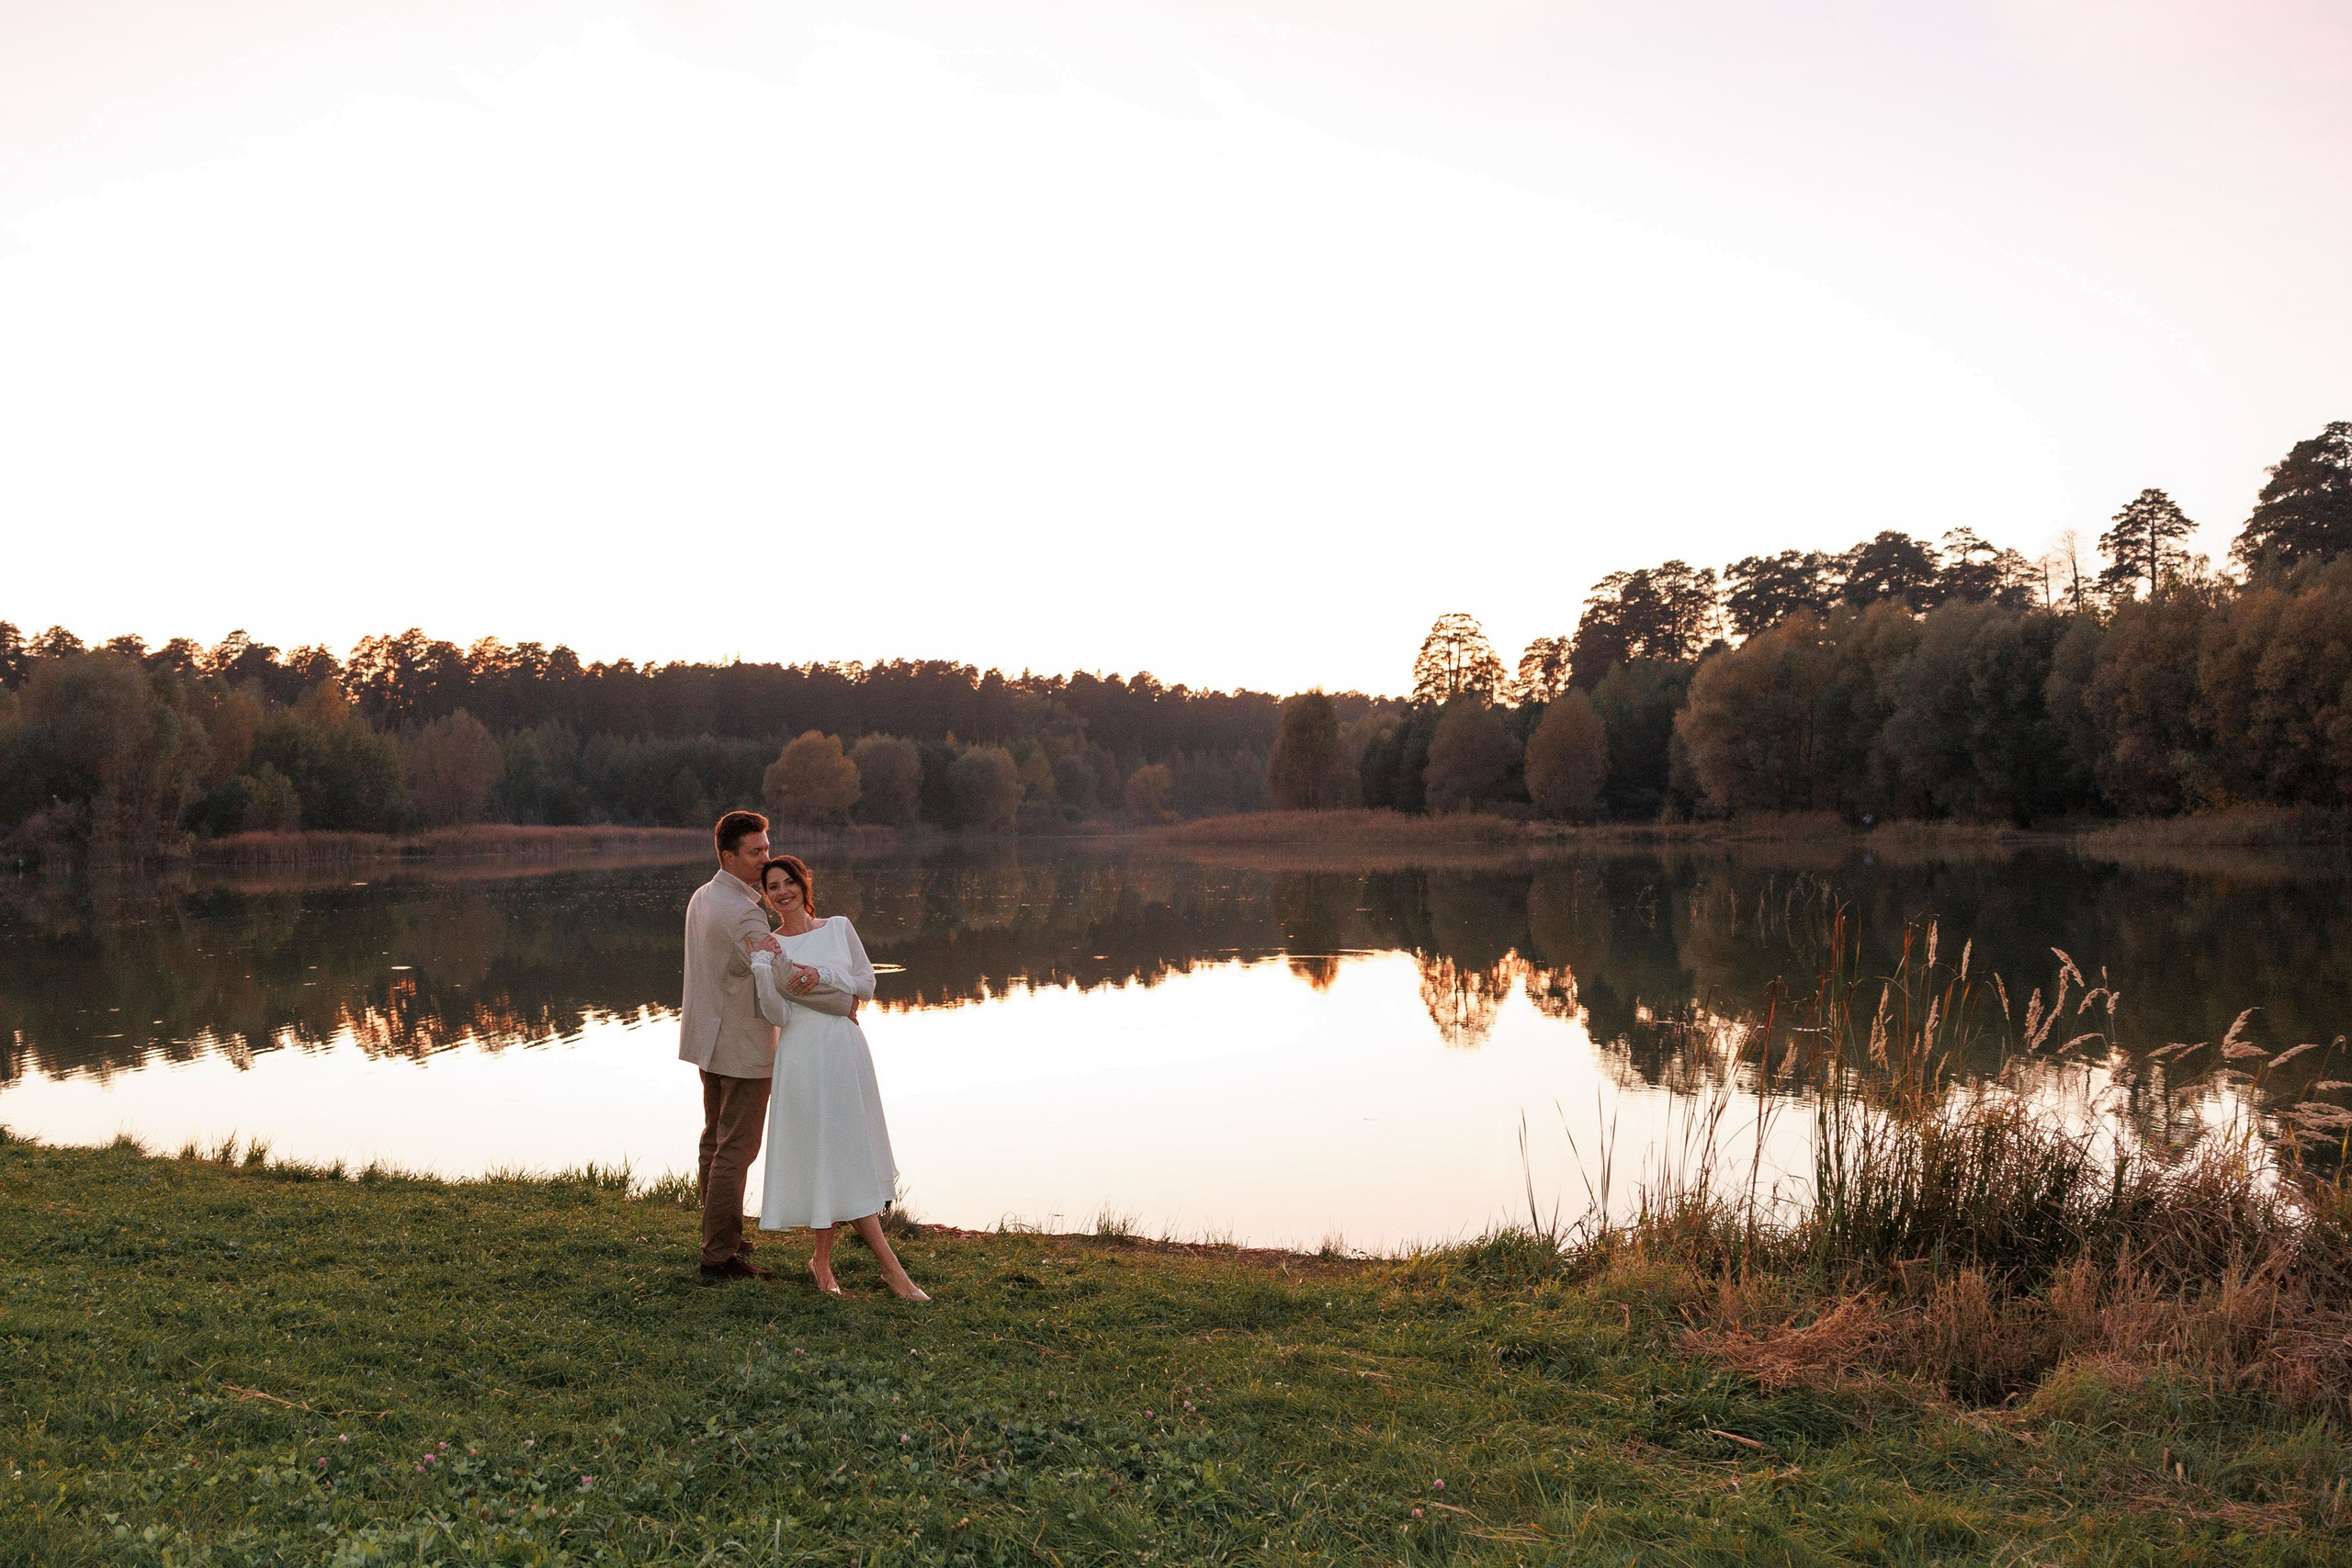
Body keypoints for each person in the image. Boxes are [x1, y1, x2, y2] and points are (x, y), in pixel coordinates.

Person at [746, 854, 928, 1302]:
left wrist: (819, 975)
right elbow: (776, 1013)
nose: (783, 891)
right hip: (801, 1055)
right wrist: (763, 972)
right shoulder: (769, 946)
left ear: (803, 885)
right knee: (824, 1154)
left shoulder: (839, 927)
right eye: (773, 887)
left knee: (844, 1149)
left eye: (789, 882)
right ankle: (890, 1272)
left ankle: (822, 1262)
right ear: (767, 897)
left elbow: (864, 986)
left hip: (845, 1052)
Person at [676, 810, 826, 1280]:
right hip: (741, 1045)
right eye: (756, 852)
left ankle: (720, 1234)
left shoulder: (705, 895)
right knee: (736, 1150)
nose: (766, 859)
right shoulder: (743, 911)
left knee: (714, 1139)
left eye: (767, 847)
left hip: (709, 1039)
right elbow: (780, 971)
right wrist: (832, 985)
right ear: (728, 855)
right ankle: (719, 1257)